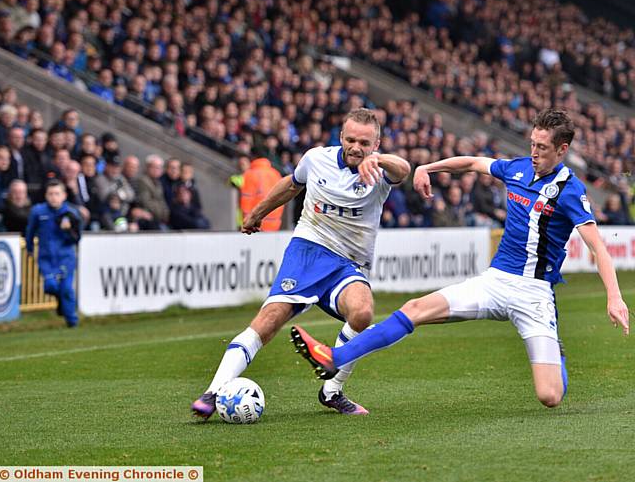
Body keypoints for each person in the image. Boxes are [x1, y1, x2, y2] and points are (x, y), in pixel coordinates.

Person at [292, 110, 630, 409]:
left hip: (535, 294)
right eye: (532, 144)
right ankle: (334, 358)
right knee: (414, 308)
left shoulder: (570, 190)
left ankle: (555, 354)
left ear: (562, 150)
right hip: (495, 282)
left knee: (549, 396)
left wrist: (614, 297)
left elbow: (598, 246)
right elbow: (471, 162)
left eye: (542, 148)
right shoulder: (516, 168)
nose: (534, 153)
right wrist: (428, 167)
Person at [191, 108, 410, 418]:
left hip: (348, 264)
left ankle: (332, 391)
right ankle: (213, 392)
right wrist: (257, 213)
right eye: (350, 140)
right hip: (308, 251)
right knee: (269, 321)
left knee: (362, 313)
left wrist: (382, 160)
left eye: (364, 143)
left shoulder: (380, 171)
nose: (356, 148)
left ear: (376, 143)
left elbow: (404, 169)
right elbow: (292, 184)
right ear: (341, 137)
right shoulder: (316, 159)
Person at [25, 179, 82, 327]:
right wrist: (30, 247)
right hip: (46, 258)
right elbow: (30, 231)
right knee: (50, 286)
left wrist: (68, 230)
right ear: (45, 195)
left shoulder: (70, 213)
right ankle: (61, 302)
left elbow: (77, 238)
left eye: (57, 194)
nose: (53, 197)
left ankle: (72, 321)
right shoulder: (38, 211)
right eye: (50, 194)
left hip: (65, 258)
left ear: (63, 195)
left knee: (67, 289)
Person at [239, 146, 284, 231]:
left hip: (256, 225)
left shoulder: (250, 174)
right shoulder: (276, 174)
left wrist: (246, 222)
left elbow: (246, 200)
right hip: (275, 224)